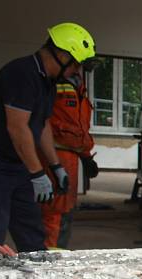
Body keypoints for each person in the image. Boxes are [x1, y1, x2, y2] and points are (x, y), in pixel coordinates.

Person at [0, 22, 95, 252]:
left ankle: (39, 274)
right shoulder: (21, 74)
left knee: (31, 231)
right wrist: (38, 173)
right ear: (61, 54)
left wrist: (55, 167)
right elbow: (17, 128)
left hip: (18, 165)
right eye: (76, 64)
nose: (77, 71)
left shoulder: (48, 83)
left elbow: (42, 125)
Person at [40, 70, 97, 248]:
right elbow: (59, 128)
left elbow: (78, 128)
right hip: (54, 157)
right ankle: (50, 260)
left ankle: (56, 254)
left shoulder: (77, 86)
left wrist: (86, 156)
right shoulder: (52, 85)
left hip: (69, 157)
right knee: (54, 213)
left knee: (64, 211)